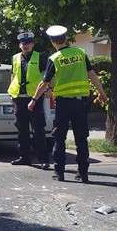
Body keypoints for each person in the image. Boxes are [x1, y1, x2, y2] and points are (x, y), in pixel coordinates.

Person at [28, 25, 108, 183]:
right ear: (65, 39)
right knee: (81, 138)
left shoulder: (54, 59)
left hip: (63, 104)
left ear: (52, 42)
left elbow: (44, 83)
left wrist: (34, 100)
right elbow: (92, 74)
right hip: (81, 103)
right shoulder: (80, 53)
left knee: (59, 138)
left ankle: (59, 173)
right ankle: (83, 174)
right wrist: (102, 93)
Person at [8, 31, 50, 169]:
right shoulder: (15, 58)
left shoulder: (41, 58)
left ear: (32, 44)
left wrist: (50, 89)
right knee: (22, 130)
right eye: (23, 44)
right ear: (20, 45)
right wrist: (11, 94)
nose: (25, 46)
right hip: (19, 99)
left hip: (35, 99)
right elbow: (13, 76)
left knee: (38, 130)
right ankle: (24, 157)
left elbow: (49, 76)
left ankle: (43, 159)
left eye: (28, 43)